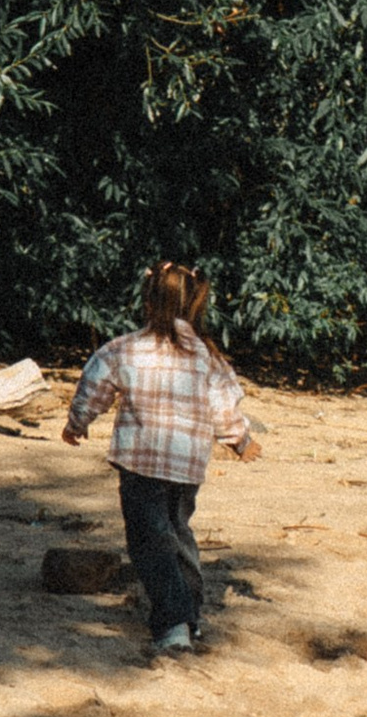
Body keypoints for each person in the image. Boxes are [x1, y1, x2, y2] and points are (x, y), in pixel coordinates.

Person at [61, 260, 259, 655]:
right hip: (186, 466)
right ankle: (192, 615)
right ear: (195, 306)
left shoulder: (125, 349)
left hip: (140, 462)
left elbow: (94, 384)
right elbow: (223, 405)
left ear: (148, 304)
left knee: (151, 542)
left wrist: (78, 422)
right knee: (178, 533)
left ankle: (173, 624)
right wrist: (240, 439)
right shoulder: (207, 356)